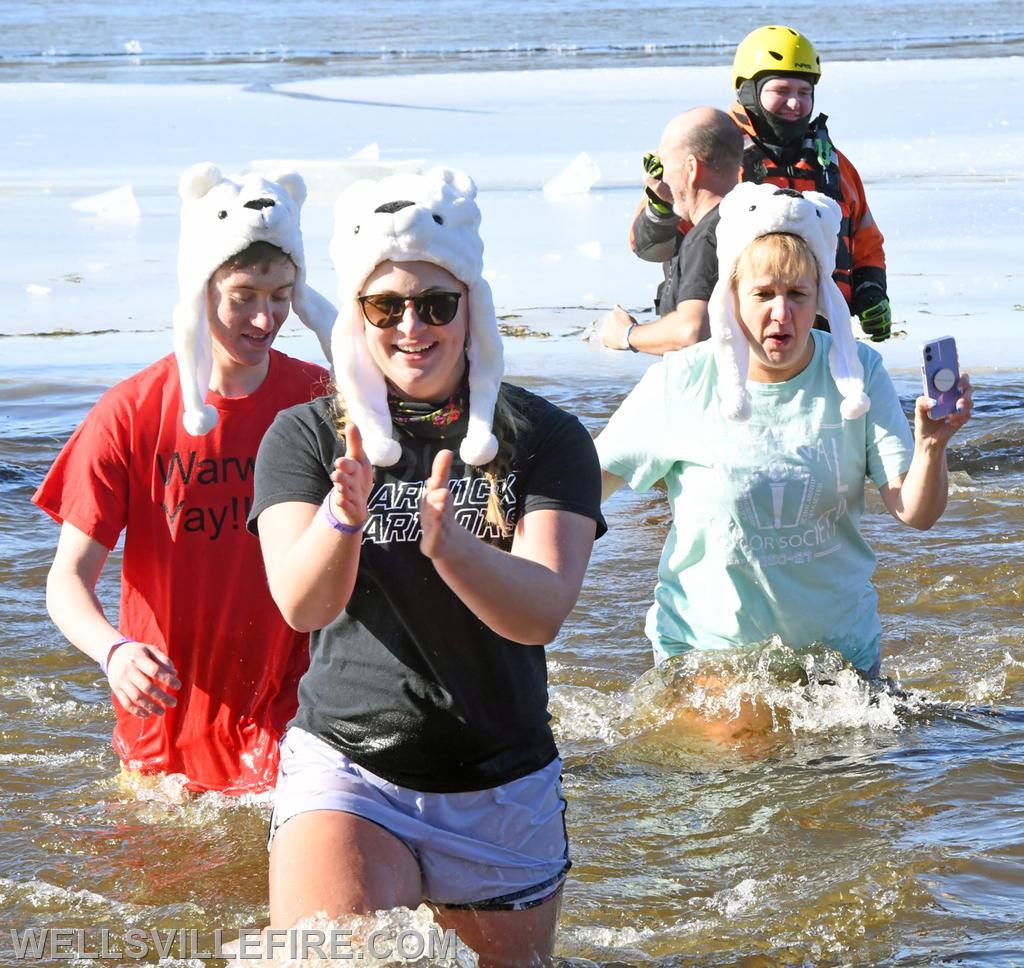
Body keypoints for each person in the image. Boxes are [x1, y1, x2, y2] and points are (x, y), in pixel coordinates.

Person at [250, 167, 604, 965]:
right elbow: (300, 606)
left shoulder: (546, 439)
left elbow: (541, 609)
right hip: (351, 766)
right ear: (359, 316)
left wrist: (455, 550)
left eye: (437, 303)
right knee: (321, 958)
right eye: (386, 306)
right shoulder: (306, 438)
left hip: (501, 779)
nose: (413, 325)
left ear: (471, 309)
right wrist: (344, 516)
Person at [32, 163, 335, 795]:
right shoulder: (132, 410)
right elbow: (66, 581)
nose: (264, 318)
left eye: (280, 296)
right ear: (200, 289)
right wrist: (113, 653)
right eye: (243, 296)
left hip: (294, 704)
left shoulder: (315, 397)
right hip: (165, 714)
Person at [598, 182, 971, 680]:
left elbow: (916, 513)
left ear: (819, 297)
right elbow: (584, 484)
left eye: (797, 294)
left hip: (840, 664)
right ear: (732, 295)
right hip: (708, 661)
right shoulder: (682, 379)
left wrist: (931, 445)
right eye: (763, 294)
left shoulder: (857, 372)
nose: (782, 313)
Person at [602, 108, 742, 356]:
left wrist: (627, 335)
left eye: (665, 164)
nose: (661, 175)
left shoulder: (708, 237)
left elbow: (692, 331)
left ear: (691, 168)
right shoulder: (756, 217)